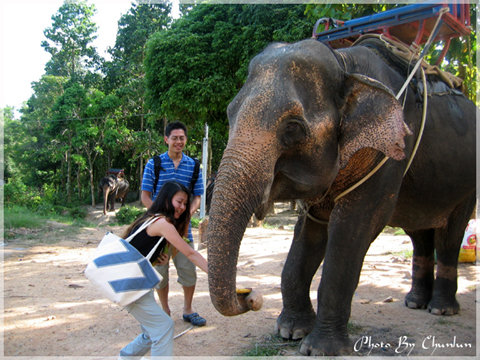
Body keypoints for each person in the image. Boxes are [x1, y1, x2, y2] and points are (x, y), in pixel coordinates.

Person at [119, 181, 208, 359]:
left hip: (136, 282)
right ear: (167, 199)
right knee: (164, 327)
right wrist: (217, 276)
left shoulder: (152, 218)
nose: (183, 207)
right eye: (179, 201)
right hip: (132, 284)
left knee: (152, 331)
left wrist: (159, 256)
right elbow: (191, 254)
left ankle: (126, 357)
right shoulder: (162, 222)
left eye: (185, 203)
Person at [140, 121, 206, 326]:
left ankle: (188, 309)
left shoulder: (194, 166)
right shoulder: (155, 164)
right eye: (174, 137)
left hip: (184, 228)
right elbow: (145, 196)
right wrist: (161, 218)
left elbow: (197, 197)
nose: (178, 141)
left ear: (186, 140)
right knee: (160, 272)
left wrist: (186, 213)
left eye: (182, 138)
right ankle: (165, 311)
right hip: (160, 229)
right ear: (166, 139)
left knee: (188, 270)